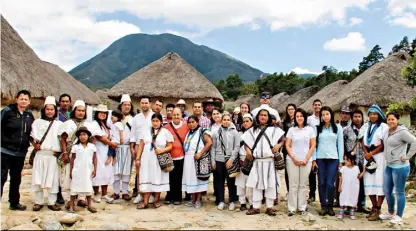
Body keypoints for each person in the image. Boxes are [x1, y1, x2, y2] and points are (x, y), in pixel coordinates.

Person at [59, 100, 115, 208]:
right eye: (79, 110)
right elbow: (63, 139)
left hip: (84, 155)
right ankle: (68, 200)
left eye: (83, 111)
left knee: (83, 176)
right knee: (68, 176)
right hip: (71, 153)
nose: (81, 113)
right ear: (74, 111)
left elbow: (94, 138)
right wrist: (65, 153)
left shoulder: (88, 125)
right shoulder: (68, 124)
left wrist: (89, 148)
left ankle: (81, 198)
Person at [244, 109, 285, 216]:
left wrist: (278, 145)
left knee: (271, 185)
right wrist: (248, 150)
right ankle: (256, 207)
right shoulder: (252, 130)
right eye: (261, 115)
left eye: (265, 115)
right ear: (257, 117)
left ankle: (269, 207)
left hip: (270, 162)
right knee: (257, 185)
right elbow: (246, 142)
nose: (263, 117)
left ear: (268, 117)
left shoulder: (274, 130)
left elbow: (283, 139)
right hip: (257, 162)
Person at [379, 111, 416, 225]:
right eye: (388, 119)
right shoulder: (386, 131)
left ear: (397, 120)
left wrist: (408, 156)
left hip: (400, 167)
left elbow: (414, 141)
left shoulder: (402, 132)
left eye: (393, 119)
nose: (390, 121)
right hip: (389, 165)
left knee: (399, 191)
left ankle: (399, 215)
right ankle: (390, 212)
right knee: (386, 190)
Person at [1, 90, 35, 211]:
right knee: (1, 177)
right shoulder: (7, 111)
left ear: (29, 101)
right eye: (21, 98)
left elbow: (32, 133)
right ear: (17, 99)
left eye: (26, 99)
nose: (23, 101)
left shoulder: (29, 115)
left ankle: (14, 202)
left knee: (16, 179)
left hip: (20, 153)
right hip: (5, 151)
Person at [30, 96, 63, 211]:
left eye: (52, 109)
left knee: (53, 179)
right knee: (38, 178)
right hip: (41, 154)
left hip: (53, 155)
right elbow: (31, 136)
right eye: (47, 109)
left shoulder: (59, 124)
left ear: (55, 111)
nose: (49, 111)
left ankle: (51, 201)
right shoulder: (37, 122)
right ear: (44, 110)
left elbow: (62, 139)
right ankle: (38, 201)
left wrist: (61, 152)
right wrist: (35, 145)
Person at [135, 113, 173, 209]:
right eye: (153, 121)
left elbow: (170, 146)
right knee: (146, 177)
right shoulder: (146, 131)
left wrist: (161, 150)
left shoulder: (165, 132)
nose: (155, 123)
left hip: (158, 160)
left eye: (157, 121)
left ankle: (156, 200)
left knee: (158, 178)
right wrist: (138, 158)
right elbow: (141, 145)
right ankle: (145, 202)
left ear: (161, 122)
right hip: (146, 159)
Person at [313, 106, 344, 216]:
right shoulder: (317, 128)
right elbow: (314, 145)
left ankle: (330, 205)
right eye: (323, 115)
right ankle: (323, 205)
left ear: (331, 114)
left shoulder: (338, 128)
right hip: (320, 158)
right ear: (321, 116)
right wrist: (313, 159)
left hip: (333, 158)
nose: (325, 116)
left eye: (327, 114)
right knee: (321, 182)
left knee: (330, 183)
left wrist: (341, 160)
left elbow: (340, 144)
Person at [285, 108, 316, 216]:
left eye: (301, 116)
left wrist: (306, 159)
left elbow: (313, 145)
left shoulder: (310, 130)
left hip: (306, 161)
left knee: (303, 185)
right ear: (295, 118)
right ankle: (292, 208)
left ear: (304, 117)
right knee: (293, 185)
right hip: (292, 160)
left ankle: (302, 207)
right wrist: (293, 158)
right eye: (297, 116)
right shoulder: (291, 130)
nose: (299, 118)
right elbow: (287, 145)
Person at [360, 104, 388, 221]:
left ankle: (378, 207)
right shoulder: (365, 126)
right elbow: (362, 141)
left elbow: (382, 144)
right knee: (369, 181)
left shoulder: (383, 126)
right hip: (368, 158)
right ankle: (374, 207)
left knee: (380, 181)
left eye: (375, 114)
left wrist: (371, 154)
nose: (372, 116)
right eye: (370, 114)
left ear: (379, 115)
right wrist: (367, 153)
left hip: (380, 157)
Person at [182, 115, 213, 209]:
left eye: (193, 122)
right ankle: (193, 199)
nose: (191, 124)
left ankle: (198, 199)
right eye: (189, 122)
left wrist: (200, 153)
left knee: (198, 179)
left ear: (197, 122)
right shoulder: (188, 133)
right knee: (191, 179)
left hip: (198, 158)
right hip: (188, 159)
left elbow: (209, 143)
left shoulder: (202, 131)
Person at [211, 113, 240, 211]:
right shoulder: (215, 132)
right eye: (224, 119)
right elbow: (213, 147)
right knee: (220, 181)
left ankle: (231, 201)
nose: (226, 121)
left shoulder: (235, 132)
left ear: (231, 121)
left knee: (231, 181)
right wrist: (213, 160)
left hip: (230, 160)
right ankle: (221, 201)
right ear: (221, 120)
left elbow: (236, 147)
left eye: (228, 119)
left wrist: (231, 159)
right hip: (219, 160)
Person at [343, 109, 370, 214]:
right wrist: (345, 158)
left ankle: (361, 205)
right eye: (355, 116)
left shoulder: (366, 129)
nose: (357, 119)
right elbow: (343, 144)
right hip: (351, 160)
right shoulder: (346, 130)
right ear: (352, 118)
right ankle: (350, 206)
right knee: (350, 183)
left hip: (363, 159)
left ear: (362, 118)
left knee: (363, 183)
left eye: (359, 116)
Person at [130, 96, 155, 204]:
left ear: (150, 104)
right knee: (139, 170)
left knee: (151, 170)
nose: (144, 105)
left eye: (146, 103)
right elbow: (133, 133)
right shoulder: (136, 118)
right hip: (138, 145)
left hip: (151, 145)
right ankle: (140, 193)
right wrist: (131, 147)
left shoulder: (153, 116)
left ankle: (152, 194)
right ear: (140, 104)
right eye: (142, 103)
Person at [91, 104, 118, 204]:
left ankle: (104, 194)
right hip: (98, 149)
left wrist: (111, 150)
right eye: (100, 113)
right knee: (97, 171)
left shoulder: (106, 126)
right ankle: (96, 193)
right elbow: (100, 137)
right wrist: (112, 144)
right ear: (97, 113)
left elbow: (110, 137)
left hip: (106, 151)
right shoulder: (94, 124)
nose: (102, 115)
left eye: (104, 113)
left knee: (106, 172)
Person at [68, 127, 98, 213]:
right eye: (80, 135)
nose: (82, 137)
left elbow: (95, 158)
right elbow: (72, 159)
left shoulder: (92, 146)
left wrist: (95, 169)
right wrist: (71, 171)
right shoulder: (76, 147)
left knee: (88, 187)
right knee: (74, 188)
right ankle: (71, 206)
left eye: (84, 134)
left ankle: (90, 205)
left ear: (88, 136)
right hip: (77, 170)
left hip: (88, 170)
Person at [164, 108, 189, 205]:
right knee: (169, 177)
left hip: (180, 156)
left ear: (181, 115)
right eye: (174, 114)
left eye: (178, 114)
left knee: (178, 177)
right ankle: (169, 195)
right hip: (169, 156)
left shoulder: (186, 126)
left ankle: (178, 197)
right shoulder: (166, 127)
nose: (176, 116)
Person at [112, 94, 135, 201]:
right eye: (125, 105)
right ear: (121, 106)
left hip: (127, 147)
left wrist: (132, 146)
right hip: (116, 147)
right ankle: (116, 192)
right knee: (116, 170)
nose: (127, 107)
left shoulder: (133, 119)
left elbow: (134, 134)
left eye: (129, 105)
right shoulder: (115, 118)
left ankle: (125, 191)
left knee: (126, 170)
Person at [334, 105, 352, 207]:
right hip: (338, 155)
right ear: (340, 114)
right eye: (343, 113)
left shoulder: (351, 127)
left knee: (349, 179)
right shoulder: (336, 126)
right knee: (338, 177)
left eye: (347, 113)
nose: (344, 115)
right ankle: (338, 199)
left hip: (350, 157)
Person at [337, 151, 364, 220]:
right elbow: (340, 178)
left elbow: (358, 177)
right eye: (344, 159)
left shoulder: (356, 168)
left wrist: (363, 171)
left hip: (353, 188)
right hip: (344, 187)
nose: (345, 161)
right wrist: (339, 186)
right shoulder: (343, 168)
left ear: (352, 160)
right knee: (343, 197)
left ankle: (352, 213)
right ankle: (341, 212)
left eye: (347, 160)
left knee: (353, 198)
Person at [235, 113, 254, 211]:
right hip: (240, 160)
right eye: (244, 121)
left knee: (250, 184)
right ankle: (242, 202)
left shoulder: (256, 133)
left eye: (247, 121)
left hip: (251, 161)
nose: (245, 123)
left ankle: (251, 203)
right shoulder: (239, 133)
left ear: (252, 122)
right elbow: (236, 147)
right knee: (240, 184)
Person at [56, 94, 72, 204]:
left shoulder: (71, 115)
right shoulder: (56, 115)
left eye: (67, 101)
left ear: (70, 102)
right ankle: (58, 194)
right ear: (59, 102)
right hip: (57, 145)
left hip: (68, 146)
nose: (65, 103)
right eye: (63, 101)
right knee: (57, 173)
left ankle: (66, 193)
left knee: (66, 172)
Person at [307, 99, 321, 203]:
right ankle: (312, 194)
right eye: (315, 105)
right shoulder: (309, 119)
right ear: (312, 106)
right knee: (312, 173)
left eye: (319, 105)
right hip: (311, 145)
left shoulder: (324, 118)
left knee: (321, 172)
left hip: (322, 146)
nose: (317, 106)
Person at [281, 104, 296, 195]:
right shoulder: (284, 123)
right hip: (287, 149)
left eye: (292, 109)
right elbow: (282, 136)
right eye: (289, 109)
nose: (291, 111)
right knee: (288, 171)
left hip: (298, 148)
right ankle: (289, 191)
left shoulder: (299, 121)